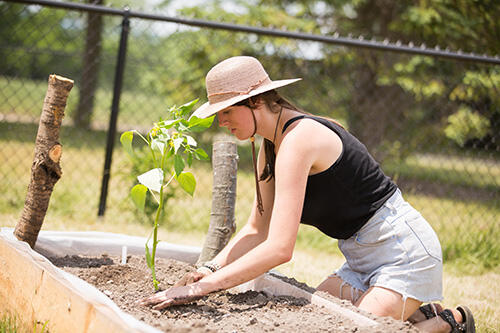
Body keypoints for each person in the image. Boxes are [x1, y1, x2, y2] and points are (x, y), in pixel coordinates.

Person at [139, 56, 476, 333]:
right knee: (320, 319)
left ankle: (450, 324)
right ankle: (418, 311)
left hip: (404, 252)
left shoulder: (300, 139)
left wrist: (200, 290)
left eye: (226, 111)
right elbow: (258, 229)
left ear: (255, 101)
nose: (221, 122)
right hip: (360, 259)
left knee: (355, 330)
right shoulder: (269, 149)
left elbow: (280, 248)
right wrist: (210, 270)